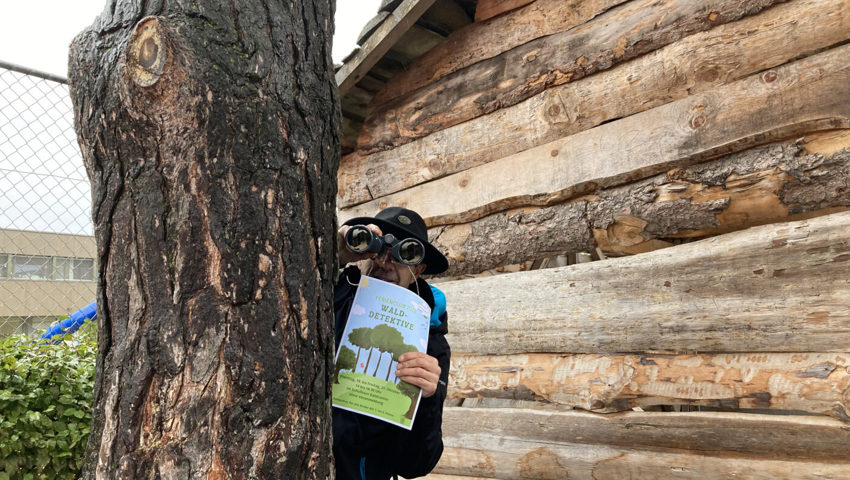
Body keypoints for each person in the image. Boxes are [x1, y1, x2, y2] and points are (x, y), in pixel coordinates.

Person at [333, 206, 450, 480]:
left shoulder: (430, 345)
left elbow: (415, 465)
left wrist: (427, 399)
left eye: (404, 255)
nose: (386, 262)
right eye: (376, 251)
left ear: (418, 270)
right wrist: (332, 255)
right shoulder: (326, 295)